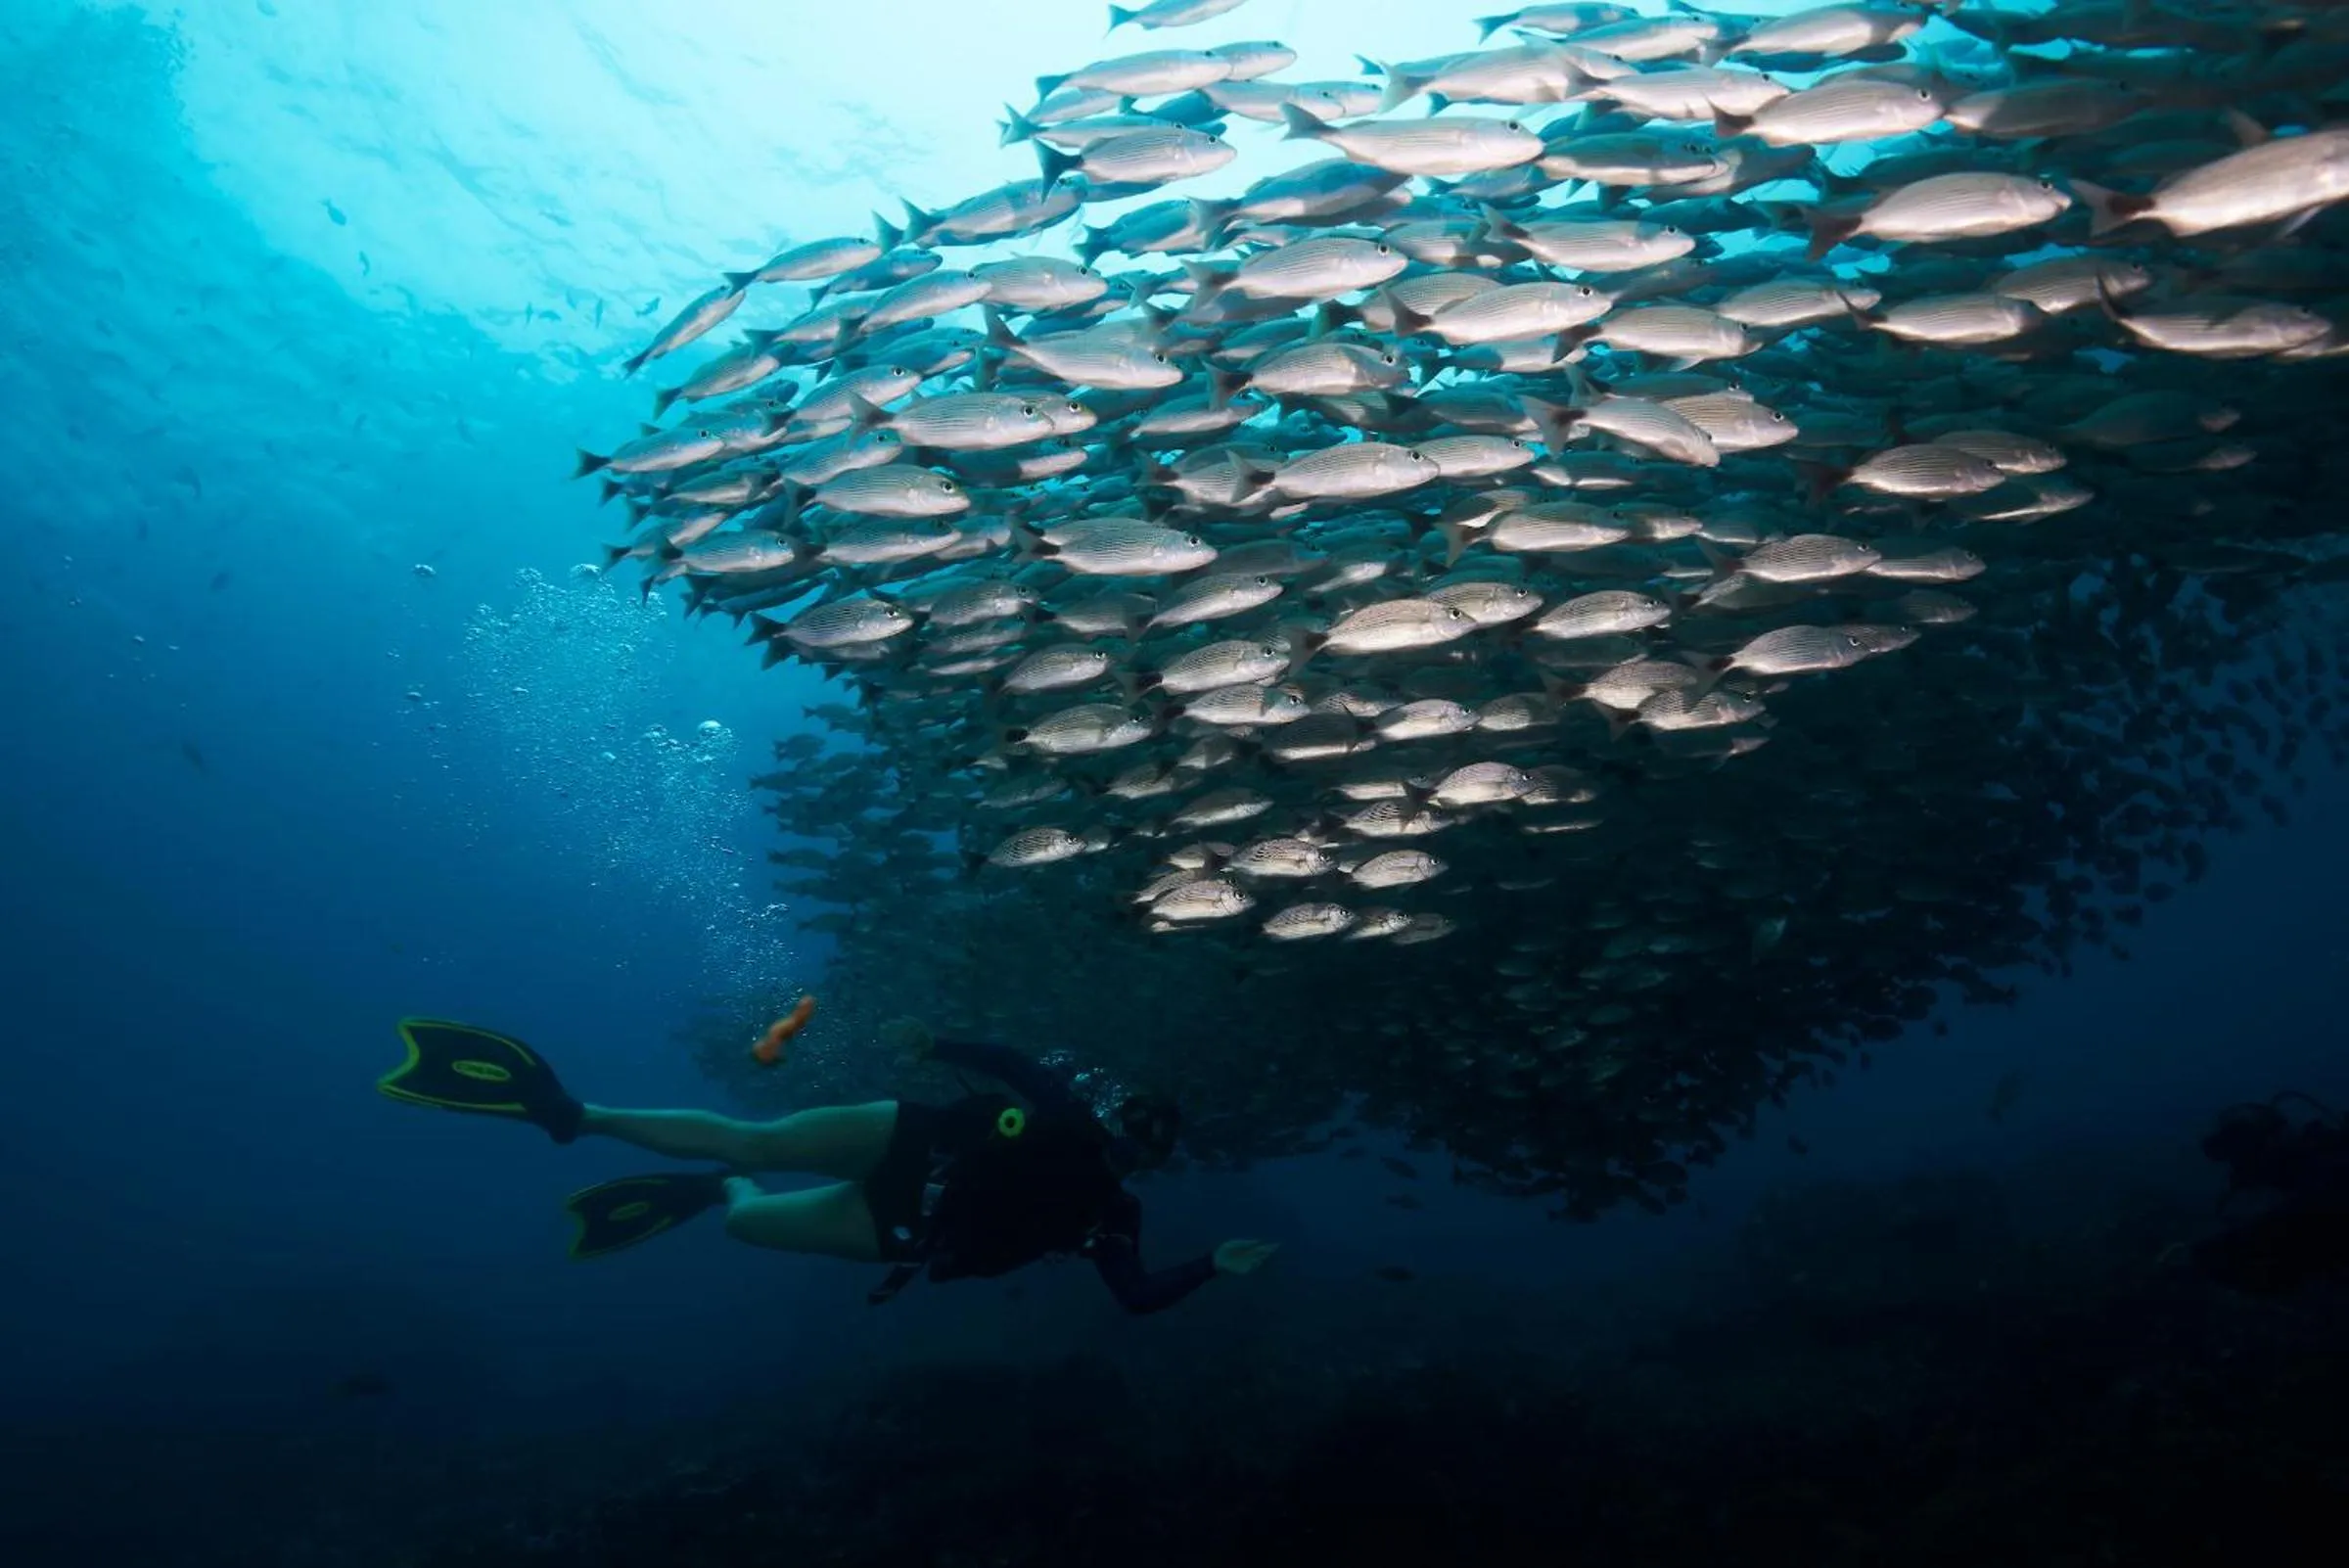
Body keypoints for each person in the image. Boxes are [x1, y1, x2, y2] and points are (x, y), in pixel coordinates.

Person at [376, 1016, 1278, 1311]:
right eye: (1137, 1121)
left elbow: (1135, 1297)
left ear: (1154, 1162)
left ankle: (712, 1192)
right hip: (910, 1140)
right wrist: (936, 1044)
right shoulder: (1075, 1116)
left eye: (1150, 1140)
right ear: (1118, 1112)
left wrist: (1213, 1267)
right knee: (755, 1138)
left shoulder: (1117, 1219)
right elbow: (1013, 1066)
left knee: (742, 1213)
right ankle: (579, 1116)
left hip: (905, 1228)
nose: (1134, 1138)